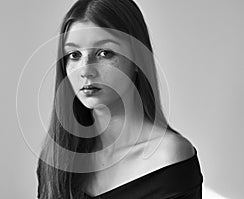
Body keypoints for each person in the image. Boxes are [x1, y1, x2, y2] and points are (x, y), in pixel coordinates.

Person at [37, 0, 203, 198]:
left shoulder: (170, 157)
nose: (86, 71)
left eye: (104, 53)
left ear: (137, 59)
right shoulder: (56, 158)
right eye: (74, 55)